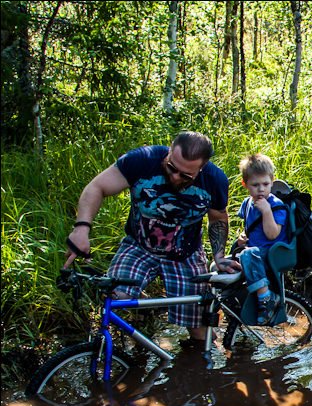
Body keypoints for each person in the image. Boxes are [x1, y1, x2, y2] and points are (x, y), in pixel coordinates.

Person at [63, 131, 236, 342]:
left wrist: (218, 256)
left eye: (185, 176)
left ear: (201, 168)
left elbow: (218, 217)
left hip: (185, 254)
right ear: (170, 150)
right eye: (172, 167)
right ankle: (146, 314)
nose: (174, 177)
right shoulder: (142, 160)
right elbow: (97, 187)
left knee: (200, 333)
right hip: (139, 247)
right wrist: (81, 228)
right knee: (118, 299)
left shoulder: (214, 180)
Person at [232, 153, 289, 324]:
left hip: (273, 252)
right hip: (256, 252)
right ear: (245, 184)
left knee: (248, 255)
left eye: (265, 184)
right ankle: (233, 304)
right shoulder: (247, 203)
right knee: (221, 263)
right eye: (255, 185)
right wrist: (242, 237)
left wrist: (266, 211)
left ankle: (267, 298)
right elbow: (250, 227)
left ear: (272, 181)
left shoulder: (276, 205)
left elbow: (273, 234)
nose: (261, 189)